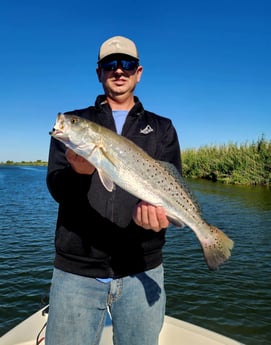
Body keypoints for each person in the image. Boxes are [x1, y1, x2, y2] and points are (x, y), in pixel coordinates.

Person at [45, 35, 182, 345]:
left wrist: (164, 219)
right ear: (99, 73)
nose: (118, 71)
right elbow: (56, 187)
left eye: (127, 64)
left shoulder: (162, 128)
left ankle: (205, 234)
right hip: (76, 272)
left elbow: (173, 183)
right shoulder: (73, 128)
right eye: (110, 65)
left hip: (141, 268)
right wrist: (79, 173)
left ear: (138, 72)